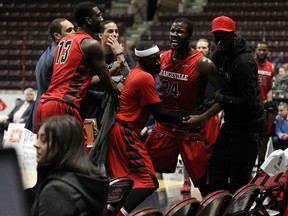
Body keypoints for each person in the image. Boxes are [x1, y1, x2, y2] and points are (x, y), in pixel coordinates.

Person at [91, 41, 192, 215]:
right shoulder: (145, 78)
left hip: (117, 131)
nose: (159, 63)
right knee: (149, 181)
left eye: (158, 59)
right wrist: (185, 118)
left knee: (123, 183)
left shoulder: (137, 72)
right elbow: (159, 114)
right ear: (143, 61)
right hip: (125, 132)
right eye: (154, 60)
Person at [144, 18, 225, 197]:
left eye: (179, 31)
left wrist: (203, 116)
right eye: (172, 30)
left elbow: (225, 95)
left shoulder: (203, 63)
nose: (174, 34)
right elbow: (142, 76)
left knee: (205, 184)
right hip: (165, 127)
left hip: (190, 128)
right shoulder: (163, 58)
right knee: (141, 170)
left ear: (189, 35)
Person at [35, 2, 120, 133]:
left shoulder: (64, 42)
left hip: (44, 105)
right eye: (98, 15)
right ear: (89, 20)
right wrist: (126, 92)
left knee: (52, 152)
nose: (102, 19)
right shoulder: (91, 44)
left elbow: (78, 80)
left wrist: (110, 70)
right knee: (77, 151)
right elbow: (109, 87)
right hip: (63, 105)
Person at [207, 15, 265, 193]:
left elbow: (248, 102)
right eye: (216, 36)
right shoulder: (219, 55)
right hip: (232, 122)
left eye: (223, 36)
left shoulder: (244, 63)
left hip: (249, 126)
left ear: (233, 35)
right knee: (216, 173)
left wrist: (223, 99)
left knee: (239, 180)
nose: (219, 41)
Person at [30, 115, 109, 215]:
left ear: (62, 146)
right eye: (38, 138)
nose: (36, 144)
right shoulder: (88, 180)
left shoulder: (57, 191)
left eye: (44, 140)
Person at [25, 18, 75, 133]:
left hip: (42, 107)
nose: (74, 33)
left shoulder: (49, 52)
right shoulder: (58, 56)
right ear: (57, 36)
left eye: (74, 29)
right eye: (69, 30)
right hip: (51, 111)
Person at [254, 41, 275, 168]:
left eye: (264, 50)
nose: (262, 52)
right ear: (256, 50)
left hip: (265, 107)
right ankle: (249, 163)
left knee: (265, 137)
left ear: (267, 51)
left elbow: (269, 88)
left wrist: (270, 105)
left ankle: (260, 166)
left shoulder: (270, 67)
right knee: (252, 137)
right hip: (253, 106)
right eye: (260, 50)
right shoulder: (251, 64)